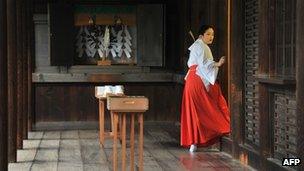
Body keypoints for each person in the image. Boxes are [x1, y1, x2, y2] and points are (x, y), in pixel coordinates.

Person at [180, 25, 230, 152]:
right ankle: (224, 126)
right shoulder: (201, 46)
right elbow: (203, 63)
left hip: (192, 79)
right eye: (208, 34)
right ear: (201, 36)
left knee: (194, 111)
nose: (211, 37)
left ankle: (194, 142)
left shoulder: (198, 45)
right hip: (197, 79)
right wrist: (217, 64)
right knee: (209, 105)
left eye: (212, 34)